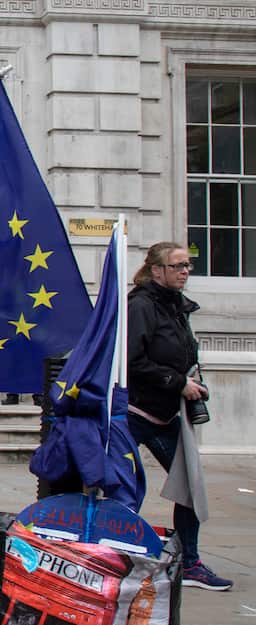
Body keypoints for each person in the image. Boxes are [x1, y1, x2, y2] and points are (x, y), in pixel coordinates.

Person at [127, 242, 232, 591]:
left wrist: (189, 381)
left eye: (188, 265)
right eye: (177, 266)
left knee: (190, 486)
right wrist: (177, 382)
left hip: (167, 412)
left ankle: (189, 562)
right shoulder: (141, 305)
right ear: (157, 270)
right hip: (135, 412)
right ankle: (113, 554)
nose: (185, 271)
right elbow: (133, 361)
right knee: (124, 489)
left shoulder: (176, 307)